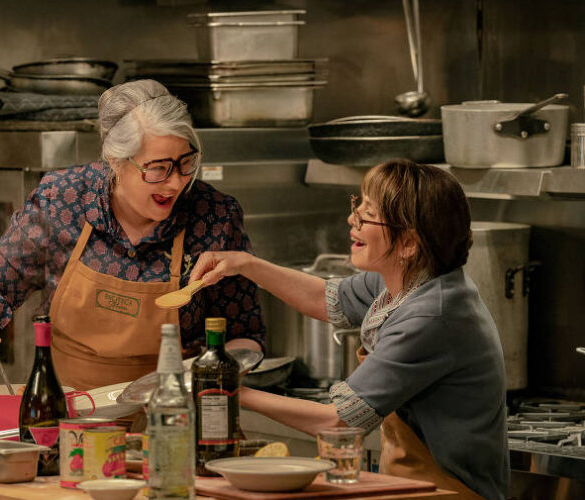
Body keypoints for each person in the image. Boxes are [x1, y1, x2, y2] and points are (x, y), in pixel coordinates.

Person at [190, 160, 508, 500]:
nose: (351, 220)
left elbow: (339, 423)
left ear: (408, 244)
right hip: (415, 487)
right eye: (358, 206)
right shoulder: (405, 279)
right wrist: (245, 264)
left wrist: (227, 391)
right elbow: (325, 298)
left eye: (367, 215)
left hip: (454, 492)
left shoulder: (430, 317)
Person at [0, 79, 264, 391]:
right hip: (68, 408)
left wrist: (222, 374)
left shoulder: (214, 216)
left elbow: (245, 334)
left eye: (186, 163)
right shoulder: (62, 199)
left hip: (175, 409)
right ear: (116, 161)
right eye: (158, 168)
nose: (175, 183)